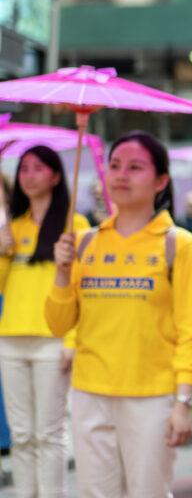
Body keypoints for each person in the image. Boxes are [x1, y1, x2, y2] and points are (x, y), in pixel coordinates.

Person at [45, 131, 192, 497]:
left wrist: (183, 403)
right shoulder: (86, 242)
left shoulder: (178, 245)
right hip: (90, 393)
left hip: (152, 397)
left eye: (135, 168)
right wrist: (60, 272)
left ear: (161, 181)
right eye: (115, 166)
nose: (121, 175)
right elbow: (59, 323)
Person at [0, 146, 90, 497]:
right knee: (21, 436)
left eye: (38, 168)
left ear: (55, 176)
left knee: (49, 434)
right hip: (10, 340)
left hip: (54, 340)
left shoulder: (76, 226)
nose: (29, 175)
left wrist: (72, 340)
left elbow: (85, 290)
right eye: (23, 169)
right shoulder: (13, 227)